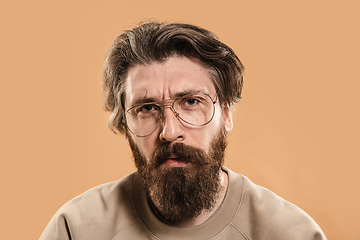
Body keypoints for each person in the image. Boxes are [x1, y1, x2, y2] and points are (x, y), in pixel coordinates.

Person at [40, 21, 327, 240]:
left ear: (226, 113)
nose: (170, 131)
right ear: (125, 126)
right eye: (147, 108)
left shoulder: (292, 233)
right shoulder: (75, 230)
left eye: (191, 102)